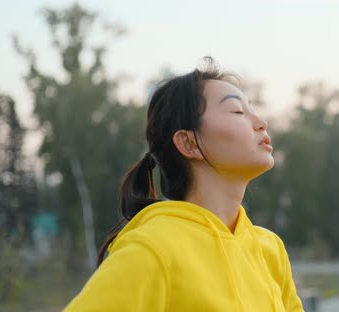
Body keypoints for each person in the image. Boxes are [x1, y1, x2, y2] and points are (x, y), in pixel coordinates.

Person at [64, 57, 304, 311]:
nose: (261, 123)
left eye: (253, 109)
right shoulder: (152, 249)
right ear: (188, 143)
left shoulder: (270, 249)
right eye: (237, 111)